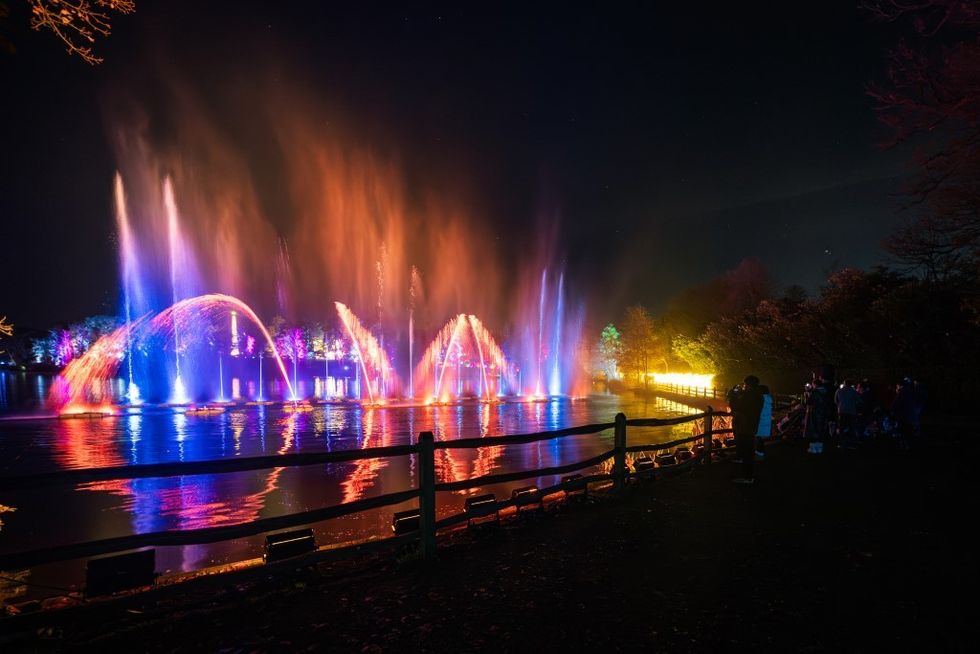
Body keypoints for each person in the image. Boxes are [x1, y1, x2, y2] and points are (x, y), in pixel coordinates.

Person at [728, 374, 765, 484]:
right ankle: (748, 476)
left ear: (748, 385)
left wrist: (732, 396)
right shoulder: (759, 395)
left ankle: (747, 477)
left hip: (745, 426)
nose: (743, 386)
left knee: (746, 452)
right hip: (752, 426)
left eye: (745, 384)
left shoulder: (748, 396)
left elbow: (736, 407)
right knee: (749, 451)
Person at [803, 373, 831, 454]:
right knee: (820, 430)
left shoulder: (815, 392)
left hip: (815, 413)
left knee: (813, 431)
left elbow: (808, 402)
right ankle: (819, 448)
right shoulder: (826, 391)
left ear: (815, 384)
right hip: (823, 414)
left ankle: (813, 449)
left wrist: (808, 393)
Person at [834, 379, 861, 447]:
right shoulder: (853, 391)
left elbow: (836, 401)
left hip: (842, 411)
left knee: (841, 428)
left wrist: (840, 405)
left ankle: (841, 443)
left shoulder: (839, 391)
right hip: (851, 411)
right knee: (852, 427)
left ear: (844, 384)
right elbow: (859, 400)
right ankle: (852, 443)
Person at [756, 383, 773, 458]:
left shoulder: (762, 399)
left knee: (759, 439)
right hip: (766, 421)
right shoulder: (768, 399)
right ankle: (759, 453)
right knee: (760, 439)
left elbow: (759, 410)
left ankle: (760, 454)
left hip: (761, 421)